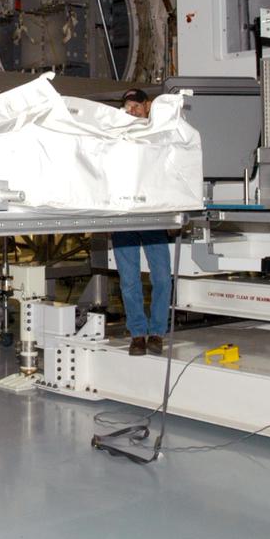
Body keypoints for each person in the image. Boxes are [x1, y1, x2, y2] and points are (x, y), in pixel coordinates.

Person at [113, 89, 173, 356]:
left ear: (148, 106)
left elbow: (171, 171)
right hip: (123, 215)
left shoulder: (161, 134)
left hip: (152, 215)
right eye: (127, 107)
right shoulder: (115, 137)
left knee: (161, 277)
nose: (132, 110)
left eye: (136, 105)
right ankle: (138, 333)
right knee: (129, 279)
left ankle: (157, 332)